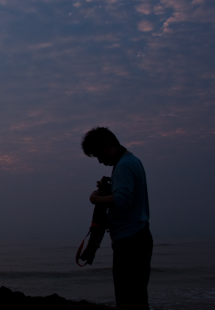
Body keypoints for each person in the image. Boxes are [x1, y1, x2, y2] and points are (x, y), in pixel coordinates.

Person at [81, 126, 152, 310]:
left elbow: (122, 201)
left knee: (128, 300)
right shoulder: (131, 161)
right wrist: (111, 188)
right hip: (138, 237)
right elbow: (127, 196)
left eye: (98, 155)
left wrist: (95, 198)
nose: (99, 161)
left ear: (106, 146)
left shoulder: (124, 166)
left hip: (130, 242)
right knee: (136, 298)